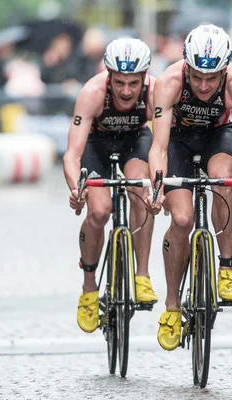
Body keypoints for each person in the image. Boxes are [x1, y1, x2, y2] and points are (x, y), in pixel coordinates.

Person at [145, 24, 232, 351]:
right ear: (186, 65)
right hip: (178, 142)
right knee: (181, 220)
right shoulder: (168, 82)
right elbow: (158, 148)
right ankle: (171, 307)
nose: (204, 85)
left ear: (224, 71)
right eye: (197, 77)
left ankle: (225, 266)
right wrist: (157, 187)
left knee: (224, 179)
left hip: (217, 137)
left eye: (212, 78)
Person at [63, 38, 158, 334]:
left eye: (133, 83)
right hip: (96, 145)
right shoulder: (92, 92)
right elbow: (72, 154)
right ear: (109, 76)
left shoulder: (154, 91)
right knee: (100, 211)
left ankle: (141, 275)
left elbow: (163, 143)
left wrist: (159, 185)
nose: (127, 91)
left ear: (143, 77)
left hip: (135, 142)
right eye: (119, 83)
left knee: (141, 190)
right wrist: (76, 189)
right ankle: (89, 287)